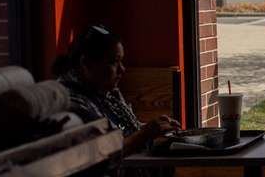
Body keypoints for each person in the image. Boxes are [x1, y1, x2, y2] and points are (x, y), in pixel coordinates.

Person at [54, 24, 180, 157]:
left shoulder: (104, 91)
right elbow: (103, 153)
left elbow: (125, 132)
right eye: (114, 62)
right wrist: (144, 134)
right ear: (86, 63)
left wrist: (156, 127)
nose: (122, 69)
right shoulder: (71, 101)